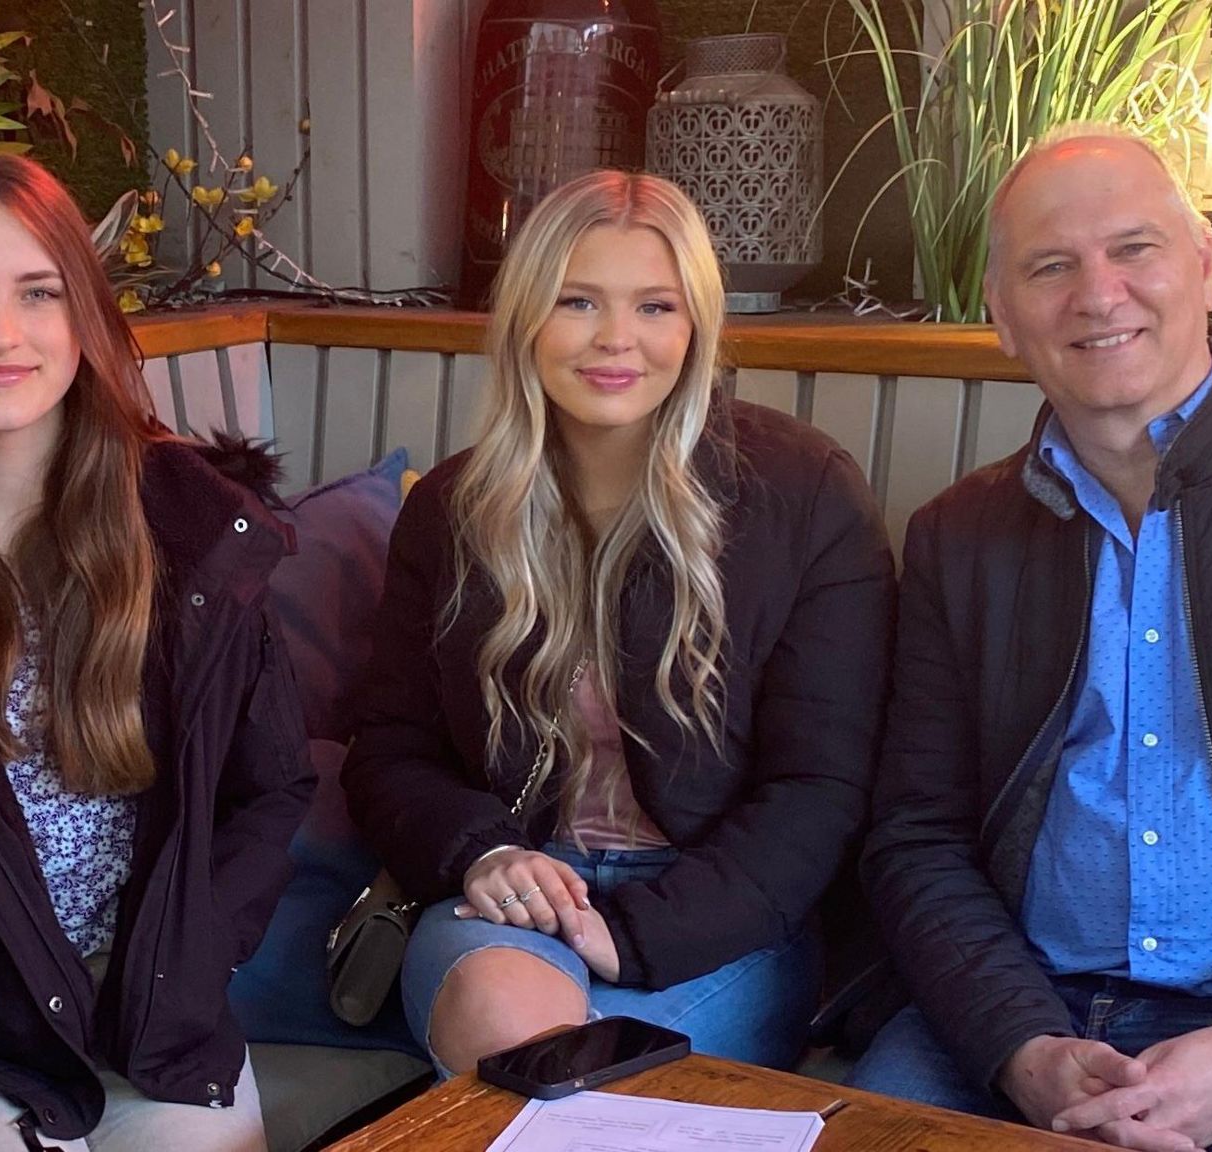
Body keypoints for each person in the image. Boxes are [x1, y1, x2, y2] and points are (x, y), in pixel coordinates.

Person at [853, 123, 1212, 1152]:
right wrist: (1018, 1045)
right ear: (1002, 317)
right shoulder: (955, 539)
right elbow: (913, 838)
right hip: (1019, 1011)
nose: (1095, 294)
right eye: (1049, 266)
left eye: (1131, 248)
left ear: (1202, 268)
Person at [340, 170, 895, 1077]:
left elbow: (821, 787)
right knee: (518, 1033)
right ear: (526, 318)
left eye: (654, 307)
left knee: (583, 1082)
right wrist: (481, 853)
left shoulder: (805, 493)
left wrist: (637, 934)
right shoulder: (452, 508)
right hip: (515, 903)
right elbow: (389, 746)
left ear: (696, 326)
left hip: (719, 919)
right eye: (578, 301)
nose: (615, 340)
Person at [0, 152, 314, 1152]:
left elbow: (270, 789)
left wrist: (196, 954)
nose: (0, 333)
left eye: (37, 294)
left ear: (83, 317)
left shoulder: (193, 533)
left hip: (157, 1022)